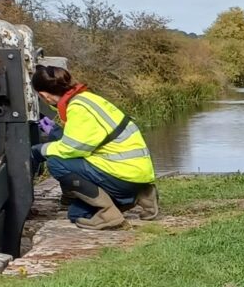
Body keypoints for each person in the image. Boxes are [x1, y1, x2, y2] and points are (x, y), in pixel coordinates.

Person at [29, 59, 158, 230]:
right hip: (136, 174)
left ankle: (108, 213)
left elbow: (72, 149)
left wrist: (39, 151)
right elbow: (86, 140)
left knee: (55, 161)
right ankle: (141, 195)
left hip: (122, 174)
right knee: (76, 214)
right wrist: (55, 131)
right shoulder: (87, 99)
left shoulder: (78, 108)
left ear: (44, 96)